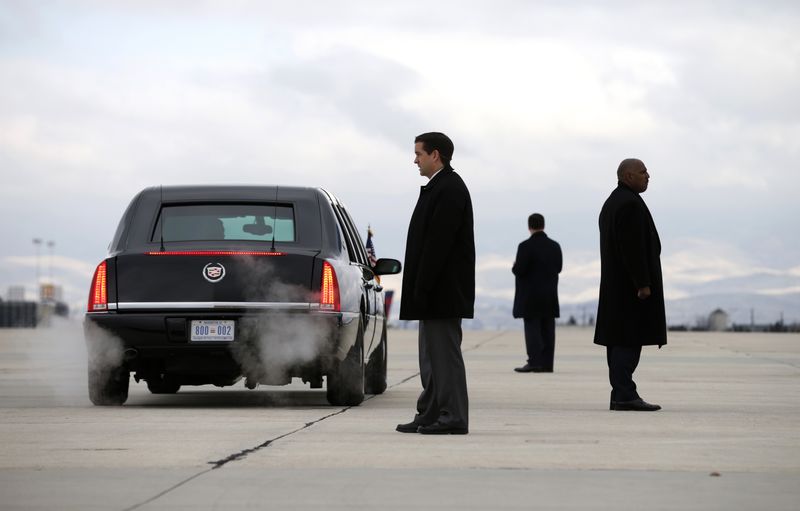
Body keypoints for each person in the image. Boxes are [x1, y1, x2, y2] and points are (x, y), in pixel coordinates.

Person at [396, 132, 475, 435]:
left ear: (435, 155)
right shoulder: (439, 187)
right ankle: (429, 413)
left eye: (418, 153)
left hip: (441, 292)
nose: (415, 160)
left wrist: (424, 286)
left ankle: (453, 415)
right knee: (430, 358)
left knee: (444, 357)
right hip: (431, 291)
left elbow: (439, 244)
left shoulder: (450, 189)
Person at [595, 158, 666, 412]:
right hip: (630, 290)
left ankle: (620, 393)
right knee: (628, 340)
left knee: (618, 340)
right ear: (627, 176)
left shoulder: (614, 202)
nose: (648, 175)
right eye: (642, 172)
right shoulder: (628, 204)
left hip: (617, 287)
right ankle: (624, 394)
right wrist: (643, 283)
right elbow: (632, 249)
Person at [512, 213, 563, 373]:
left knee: (532, 330)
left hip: (530, 297)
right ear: (543, 225)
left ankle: (534, 362)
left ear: (529, 226)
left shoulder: (525, 246)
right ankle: (547, 364)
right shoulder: (555, 246)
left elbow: (520, 270)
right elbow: (559, 268)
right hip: (549, 296)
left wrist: (514, 266)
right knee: (548, 330)